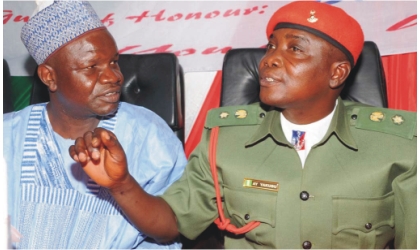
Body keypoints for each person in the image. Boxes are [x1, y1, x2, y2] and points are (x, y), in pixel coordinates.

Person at [70, 1, 417, 249]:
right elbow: (170, 225)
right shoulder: (226, 139)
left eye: (294, 49)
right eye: (270, 47)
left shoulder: (399, 146)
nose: (269, 60)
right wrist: (120, 184)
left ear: (337, 73)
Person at [3, 1, 187, 249]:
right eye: (92, 67)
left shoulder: (147, 134)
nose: (115, 77)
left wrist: (122, 185)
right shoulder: (8, 135)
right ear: (50, 76)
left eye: (114, 62)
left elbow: (172, 229)